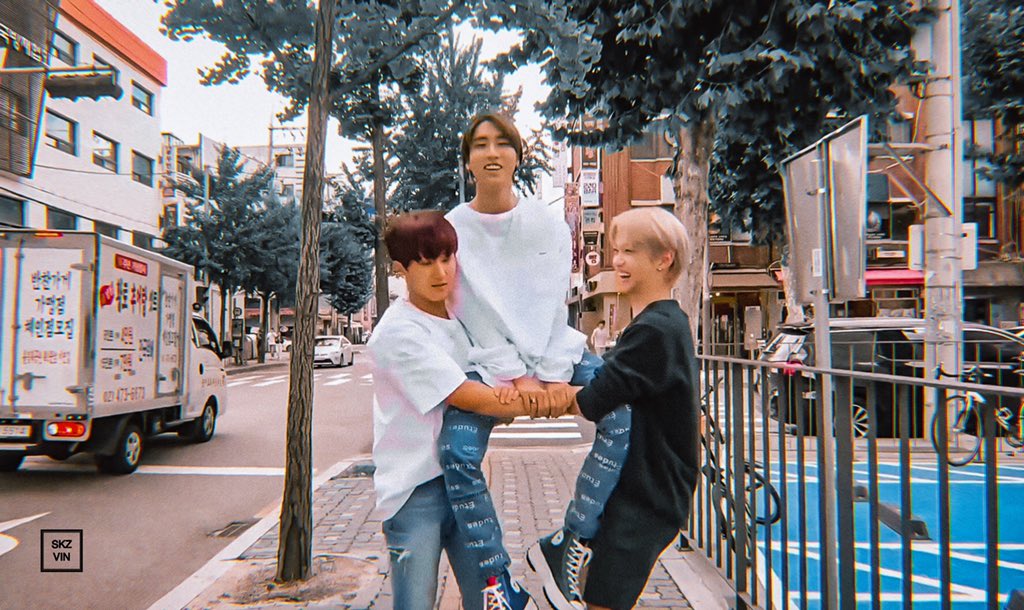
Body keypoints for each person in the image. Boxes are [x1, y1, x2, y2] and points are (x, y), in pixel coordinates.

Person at [441, 112, 631, 610]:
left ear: (517, 157)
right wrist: (514, 376)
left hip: (554, 350)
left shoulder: (548, 225)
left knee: (623, 410)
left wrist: (547, 377)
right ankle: (495, 578)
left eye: (502, 143)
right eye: (480, 144)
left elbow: (552, 303)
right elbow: (467, 310)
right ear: (468, 161)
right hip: (486, 358)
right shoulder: (453, 229)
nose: (492, 153)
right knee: (456, 451)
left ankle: (572, 537)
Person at [369, 211, 566, 610]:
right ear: (400, 269)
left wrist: (512, 395)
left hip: (463, 484)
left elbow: (494, 390)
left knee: (488, 600)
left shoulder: (462, 320)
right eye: (425, 262)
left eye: (447, 258)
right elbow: (468, 396)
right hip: (414, 492)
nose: (441, 272)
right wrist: (561, 399)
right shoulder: (398, 332)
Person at [528, 207, 700, 610]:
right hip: (650, 488)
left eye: (630, 252)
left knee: (604, 602)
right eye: (616, 250)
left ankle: (559, 547)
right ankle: (559, 547)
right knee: (600, 594)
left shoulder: (654, 331)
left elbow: (594, 400)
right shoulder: (666, 322)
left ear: (664, 259)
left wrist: (529, 399)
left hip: (646, 495)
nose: (618, 261)